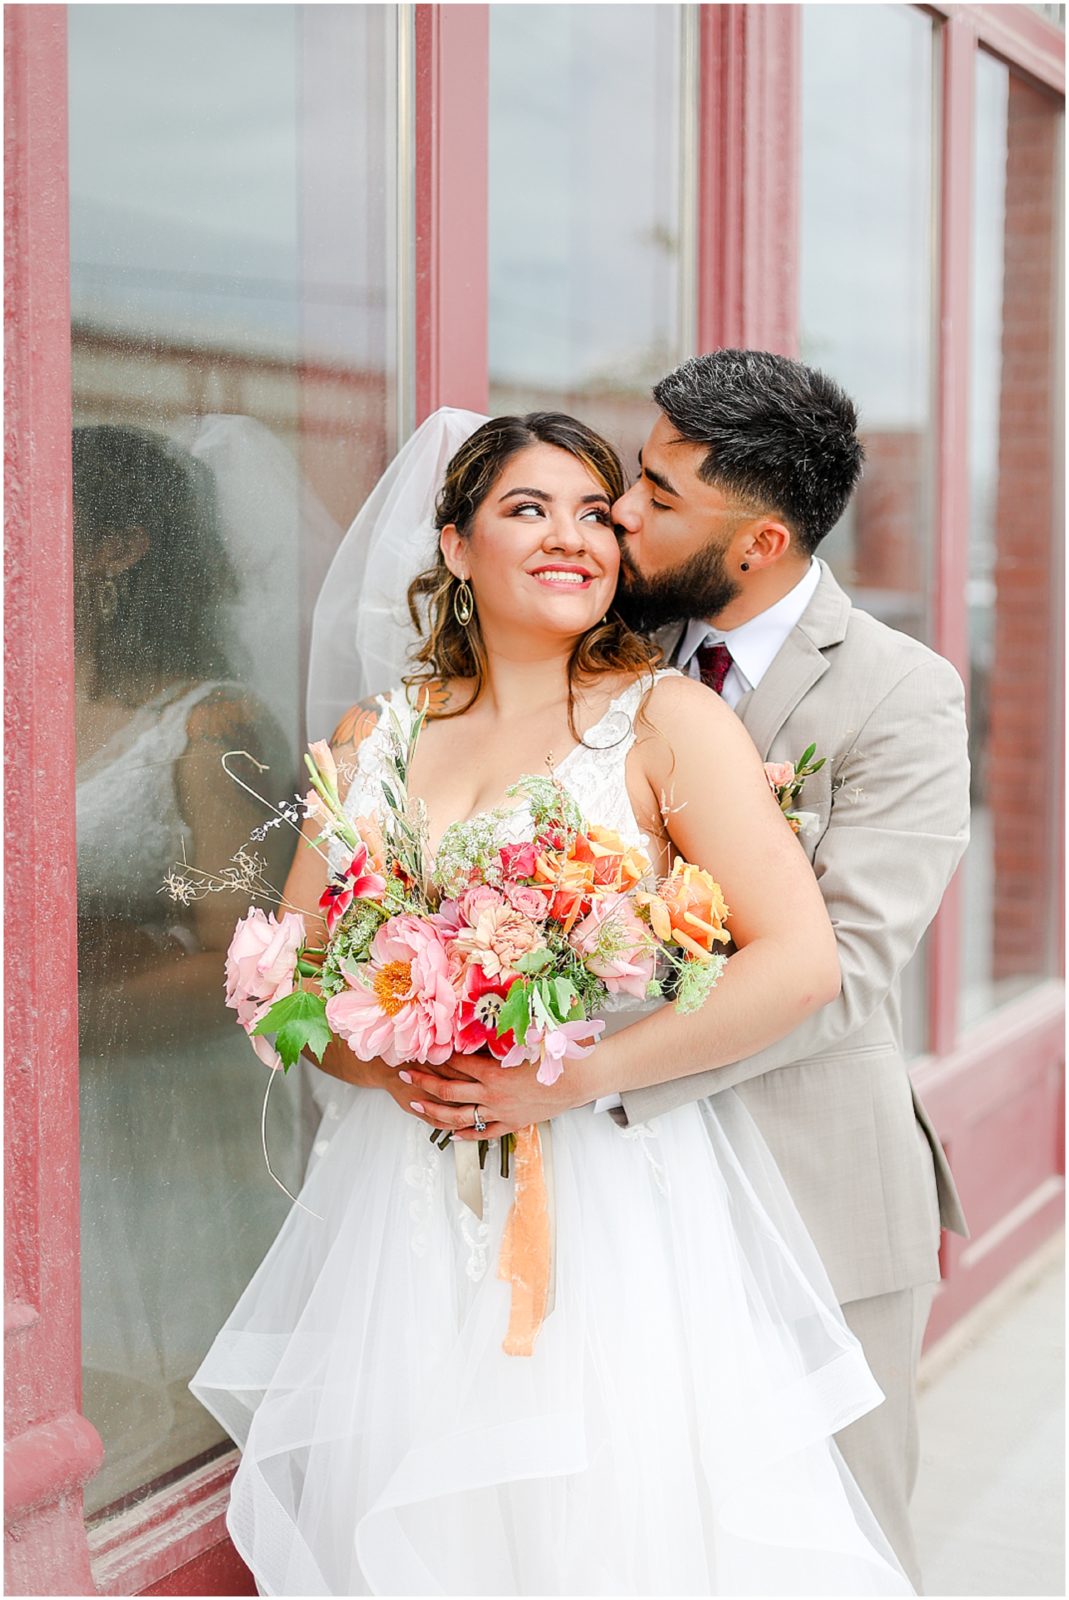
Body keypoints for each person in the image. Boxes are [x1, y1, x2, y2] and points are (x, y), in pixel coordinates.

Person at [192, 410, 915, 1595]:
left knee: (609, 1525)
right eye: (527, 509)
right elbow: (299, 976)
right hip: (408, 1210)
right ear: (455, 544)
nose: (573, 537)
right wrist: (394, 1063)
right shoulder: (374, 735)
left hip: (608, 1206)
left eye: (595, 513)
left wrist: (569, 1077)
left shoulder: (667, 722)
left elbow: (797, 961)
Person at [399, 355, 972, 1592]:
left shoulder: (900, 698)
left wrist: (587, 1078)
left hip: (812, 1184)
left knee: (839, 1533)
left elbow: (845, 967)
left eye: (655, 494)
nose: (617, 516)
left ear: (758, 540)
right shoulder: (609, 635)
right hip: (610, 1205)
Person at [73, 424, 297, 1510]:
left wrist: (54, 1021)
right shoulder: (25, 702)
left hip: (157, 1118)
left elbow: (240, 958)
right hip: (50, 1113)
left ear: (115, 546)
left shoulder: (217, 724)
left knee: (145, 1413)